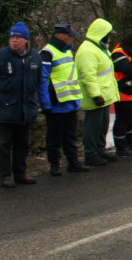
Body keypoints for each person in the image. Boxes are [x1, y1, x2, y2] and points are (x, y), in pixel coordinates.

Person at [0, 22, 43, 188]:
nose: (14, 40)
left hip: (25, 109)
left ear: (26, 40)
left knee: (22, 144)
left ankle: (20, 173)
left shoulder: (35, 57)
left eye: (18, 37)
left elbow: (38, 80)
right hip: (4, 109)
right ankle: (5, 176)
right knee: (4, 145)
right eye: (12, 37)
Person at [38, 23, 90, 176]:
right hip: (56, 103)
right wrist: (46, 104)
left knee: (70, 135)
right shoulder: (47, 53)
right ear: (61, 36)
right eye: (69, 36)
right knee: (54, 136)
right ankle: (54, 165)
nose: (71, 39)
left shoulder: (67, 51)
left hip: (70, 102)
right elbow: (42, 80)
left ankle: (73, 162)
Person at [76, 18, 120, 165]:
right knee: (93, 127)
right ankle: (90, 153)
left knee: (102, 125)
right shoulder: (87, 51)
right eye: (108, 34)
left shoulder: (100, 48)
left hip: (104, 95)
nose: (110, 37)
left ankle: (100, 150)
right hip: (96, 97)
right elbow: (88, 76)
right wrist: (95, 95)